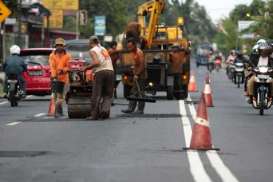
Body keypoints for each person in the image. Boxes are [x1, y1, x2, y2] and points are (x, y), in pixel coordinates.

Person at [83, 36, 114, 120]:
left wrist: (87, 68)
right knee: (107, 95)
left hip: (101, 72)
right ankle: (104, 112)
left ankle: (94, 115)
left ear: (91, 42)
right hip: (110, 71)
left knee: (96, 95)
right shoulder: (103, 48)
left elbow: (97, 62)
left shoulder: (93, 50)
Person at [122, 38, 146, 114]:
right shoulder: (134, 53)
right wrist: (133, 67)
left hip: (141, 75)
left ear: (134, 45)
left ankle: (140, 109)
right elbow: (137, 63)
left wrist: (137, 74)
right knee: (134, 91)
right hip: (136, 74)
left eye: (130, 47)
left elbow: (142, 65)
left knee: (140, 92)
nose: (129, 49)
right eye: (128, 47)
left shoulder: (139, 52)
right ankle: (131, 108)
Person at [49, 38, 71, 118]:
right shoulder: (52, 55)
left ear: (63, 46)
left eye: (61, 45)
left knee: (62, 97)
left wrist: (63, 70)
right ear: (55, 46)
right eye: (58, 45)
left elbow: (69, 67)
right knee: (57, 96)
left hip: (65, 79)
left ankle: (59, 111)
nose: (59, 47)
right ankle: (57, 112)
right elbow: (52, 67)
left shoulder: (68, 56)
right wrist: (54, 76)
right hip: (56, 78)